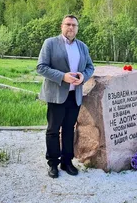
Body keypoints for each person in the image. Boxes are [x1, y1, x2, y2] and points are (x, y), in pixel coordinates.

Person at [37, 15, 94, 178]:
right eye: (68, 24)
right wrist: (63, 76)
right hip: (56, 95)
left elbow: (90, 67)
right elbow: (41, 67)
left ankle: (67, 161)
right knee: (53, 130)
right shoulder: (50, 43)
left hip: (74, 95)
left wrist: (84, 76)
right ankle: (53, 163)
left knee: (69, 129)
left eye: (74, 25)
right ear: (62, 26)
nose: (71, 27)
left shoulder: (82, 47)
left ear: (77, 28)